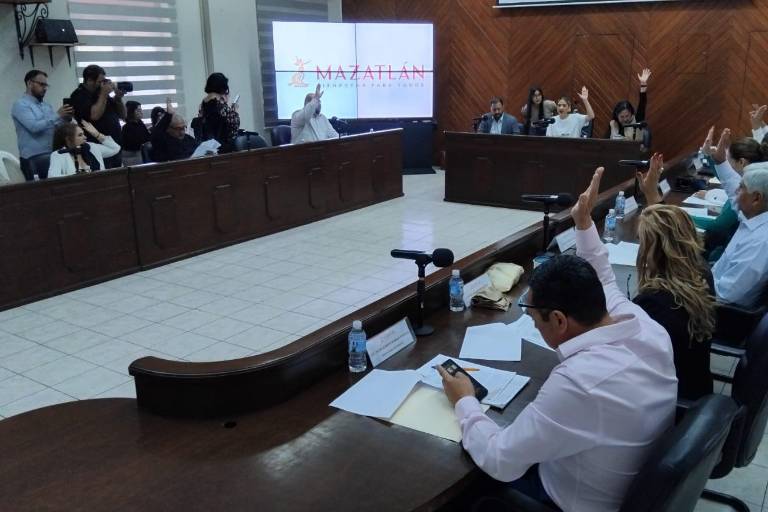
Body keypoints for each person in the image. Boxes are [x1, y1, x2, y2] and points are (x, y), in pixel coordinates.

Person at [439, 167, 677, 512]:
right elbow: (604, 279)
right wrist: (583, 222)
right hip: (624, 479)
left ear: (559, 320)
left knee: (468, 485)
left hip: (570, 501)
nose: (534, 326)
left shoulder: (580, 383)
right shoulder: (644, 326)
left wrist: (465, 401)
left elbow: (500, 460)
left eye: (534, 319)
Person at [634, 154, 717, 400]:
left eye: (643, 243)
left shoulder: (653, 302)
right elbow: (669, 230)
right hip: (697, 389)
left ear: (654, 251)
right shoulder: (700, 271)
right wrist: (652, 194)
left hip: (670, 401)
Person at [701, 127, 768, 308]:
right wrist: (720, 161)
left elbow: (723, 296)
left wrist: (687, 285)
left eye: (742, 187)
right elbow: (732, 188)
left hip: (714, 312)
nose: (736, 191)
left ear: (756, 198)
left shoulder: (760, 243)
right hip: (709, 288)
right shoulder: (755, 218)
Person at [694, 137, 765, 262]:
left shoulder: (747, 195)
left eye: (728, 160)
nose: (737, 191)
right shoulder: (756, 181)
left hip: (725, 252)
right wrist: (711, 157)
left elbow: (719, 224)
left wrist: (683, 216)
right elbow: (726, 177)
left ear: (741, 162)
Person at [11, 69, 73, 180]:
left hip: (52, 154)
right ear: (29, 83)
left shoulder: (46, 106)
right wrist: (57, 115)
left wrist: (66, 119)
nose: (45, 88)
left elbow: (54, 127)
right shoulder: (20, 105)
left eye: (46, 85)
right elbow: (34, 127)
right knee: (41, 190)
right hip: (33, 158)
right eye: (41, 84)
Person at [69, 64, 126, 169]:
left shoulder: (101, 93)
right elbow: (94, 116)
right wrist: (103, 94)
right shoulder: (79, 95)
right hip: (97, 148)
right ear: (90, 80)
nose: (102, 84)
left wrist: (118, 98)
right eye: (100, 82)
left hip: (114, 145)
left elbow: (123, 115)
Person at [48, 121, 120, 179]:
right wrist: (78, 176)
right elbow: (52, 177)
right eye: (80, 135)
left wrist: (97, 134)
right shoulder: (59, 154)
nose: (85, 137)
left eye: (84, 134)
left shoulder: (92, 147)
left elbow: (115, 148)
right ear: (68, 139)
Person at [607, 68, 651, 150]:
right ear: (617, 115)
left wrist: (643, 86)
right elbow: (605, 143)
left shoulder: (637, 120)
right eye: (622, 117)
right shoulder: (613, 124)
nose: (625, 119)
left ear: (631, 113)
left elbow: (642, 105)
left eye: (627, 116)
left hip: (634, 153)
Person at [198, 72, 240, 153]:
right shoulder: (219, 104)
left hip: (208, 145)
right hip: (222, 147)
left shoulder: (204, 103)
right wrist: (234, 111)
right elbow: (234, 126)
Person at [120, 100, 151, 166]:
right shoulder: (127, 127)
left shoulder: (140, 123)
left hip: (140, 155)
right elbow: (140, 140)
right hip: (132, 158)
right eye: (138, 110)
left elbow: (147, 138)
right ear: (131, 112)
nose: (141, 112)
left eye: (141, 110)